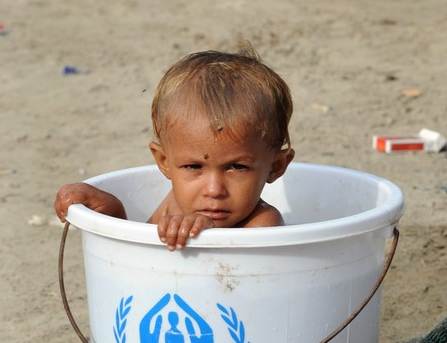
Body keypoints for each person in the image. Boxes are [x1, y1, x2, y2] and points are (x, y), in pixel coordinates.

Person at [55, 44, 295, 250]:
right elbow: (136, 255)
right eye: (194, 166)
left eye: (237, 167)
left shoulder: (262, 224)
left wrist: (209, 237)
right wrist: (112, 213)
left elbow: (243, 282)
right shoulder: (176, 204)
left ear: (275, 166)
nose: (213, 190)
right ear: (164, 162)